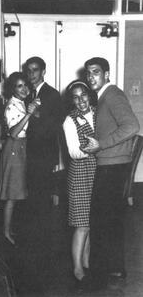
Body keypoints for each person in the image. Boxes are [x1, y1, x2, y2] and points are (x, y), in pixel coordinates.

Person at [82, 57, 140, 289]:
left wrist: (101, 144)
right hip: (112, 165)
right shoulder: (104, 97)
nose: (90, 77)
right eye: (88, 73)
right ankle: (116, 268)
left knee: (100, 222)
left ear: (107, 74)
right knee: (112, 221)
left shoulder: (112, 95)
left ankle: (97, 278)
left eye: (95, 72)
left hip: (111, 166)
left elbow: (132, 126)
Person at [23, 56, 64, 288]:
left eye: (35, 70)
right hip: (28, 153)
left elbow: (58, 123)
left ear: (43, 71)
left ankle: (45, 242)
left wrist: (37, 115)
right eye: (28, 70)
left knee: (43, 196)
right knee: (32, 195)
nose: (31, 74)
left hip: (45, 154)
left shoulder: (52, 94)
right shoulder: (26, 92)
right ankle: (34, 236)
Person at [0, 72, 39, 246]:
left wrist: (33, 111)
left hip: (20, 148)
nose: (24, 89)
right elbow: (13, 133)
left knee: (14, 192)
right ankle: (5, 232)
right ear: (12, 89)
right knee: (11, 195)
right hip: (14, 148)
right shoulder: (11, 106)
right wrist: (29, 114)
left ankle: (8, 228)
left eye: (25, 85)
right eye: (19, 86)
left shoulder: (21, 103)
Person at [63, 81, 97, 289]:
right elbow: (73, 152)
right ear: (71, 101)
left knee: (90, 223)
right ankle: (77, 268)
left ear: (89, 95)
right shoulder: (69, 120)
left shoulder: (98, 112)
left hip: (98, 172)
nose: (81, 100)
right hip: (81, 173)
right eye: (75, 97)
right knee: (82, 224)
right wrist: (92, 149)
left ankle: (87, 264)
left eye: (83, 95)